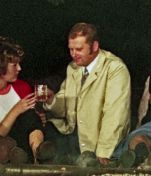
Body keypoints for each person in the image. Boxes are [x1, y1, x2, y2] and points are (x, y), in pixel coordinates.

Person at [44, 22, 131, 166]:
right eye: (71, 49)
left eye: (78, 49)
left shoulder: (115, 68)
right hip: (73, 136)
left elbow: (115, 115)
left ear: (95, 46)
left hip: (97, 143)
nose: (73, 54)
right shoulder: (73, 68)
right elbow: (66, 102)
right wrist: (51, 100)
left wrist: (103, 152)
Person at [0, 36, 55, 164]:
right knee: (5, 141)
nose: (19, 68)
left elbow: (31, 122)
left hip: (23, 143)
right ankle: (21, 158)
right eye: (14, 65)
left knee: (30, 115)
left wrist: (40, 116)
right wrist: (16, 110)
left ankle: (39, 154)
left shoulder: (22, 87)